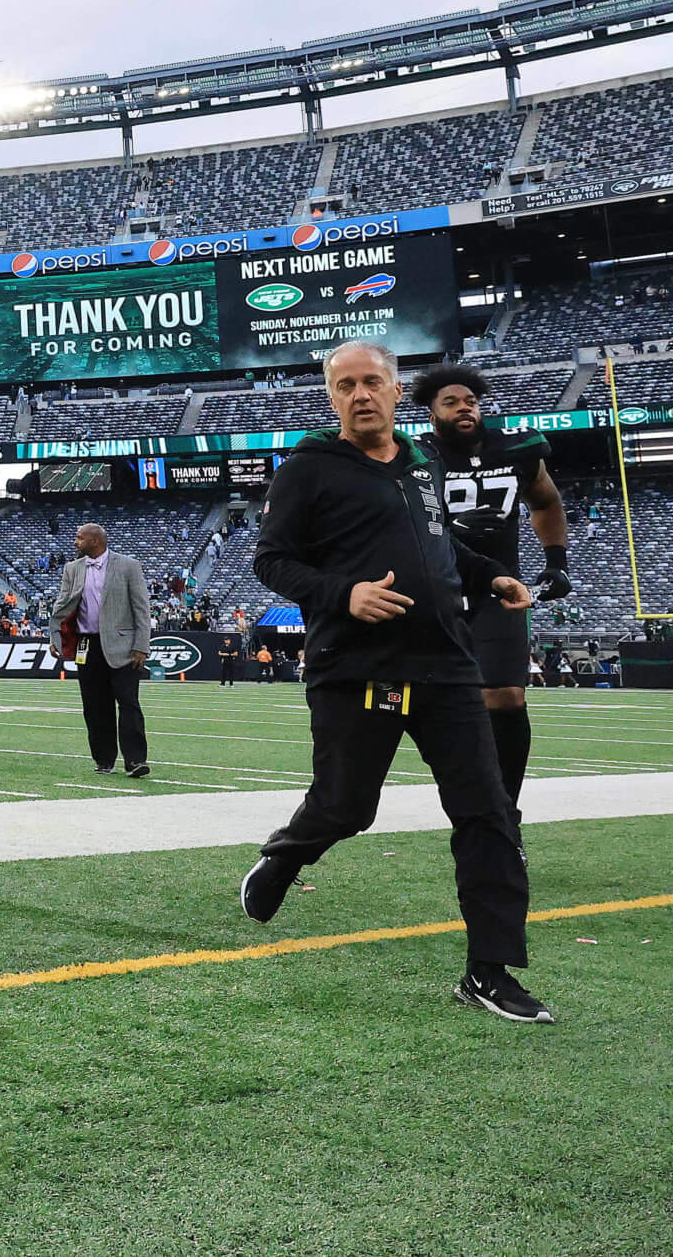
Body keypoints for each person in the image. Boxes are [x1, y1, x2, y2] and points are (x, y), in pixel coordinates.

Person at [241, 341, 549, 1023]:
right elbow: (271, 561)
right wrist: (342, 593)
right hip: (355, 667)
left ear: (393, 386)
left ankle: (490, 970)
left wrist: (488, 574)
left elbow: (440, 544)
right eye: (345, 384)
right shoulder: (308, 468)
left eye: (371, 381)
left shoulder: (418, 463)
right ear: (331, 396)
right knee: (347, 807)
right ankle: (286, 855)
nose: (360, 394)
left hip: (445, 663)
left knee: (489, 812)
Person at [413, 364, 569, 806]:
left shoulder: (516, 448)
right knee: (428, 707)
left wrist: (555, 561)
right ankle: (470, 805)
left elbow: (545, 499)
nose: (464, 408)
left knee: (507, 698)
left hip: (498, 589)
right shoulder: (416, 456)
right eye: (451, 402)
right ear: (431, 413)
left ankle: (505, 814)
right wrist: (446, 528)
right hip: (435, 592)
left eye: (471, 401)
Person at [51, 523, 154, 777]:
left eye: (79, 538)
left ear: (95, 541)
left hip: (124, 646)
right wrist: (56, 639)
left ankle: (135, 760)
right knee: (95, 706)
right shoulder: (72, 569)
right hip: (87, 644)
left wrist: (142, 645)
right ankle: (104, 759)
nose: (75, 542)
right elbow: (61, 607)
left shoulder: (128, 565)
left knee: (128, 703)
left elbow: (141, 608)